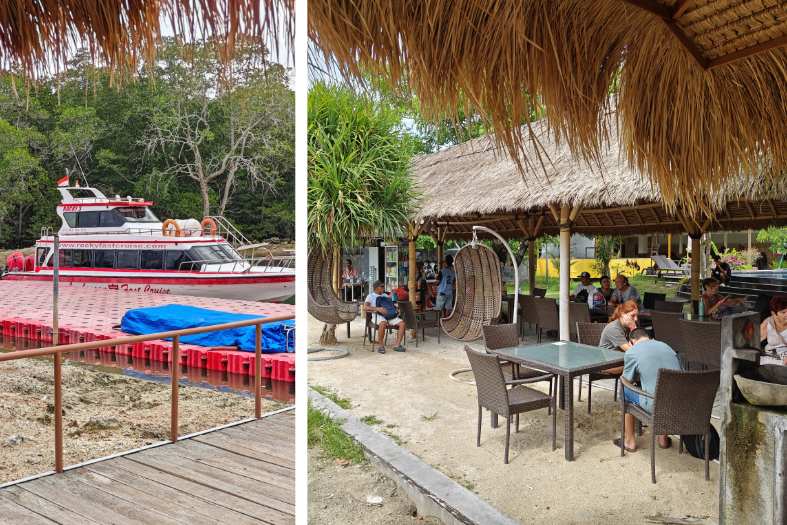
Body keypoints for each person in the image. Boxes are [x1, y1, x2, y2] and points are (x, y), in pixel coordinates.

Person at [613, 328, 681, 452]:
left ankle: (629, 441)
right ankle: (663, 439)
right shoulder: (667, 347)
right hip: (678, 403)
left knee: (625, 391)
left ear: (632, 341)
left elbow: (626, 380)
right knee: (664, 386)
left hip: (654, 405)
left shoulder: (632, 352)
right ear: (649, 337)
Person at [364, 280, 406, 354]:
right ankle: (381, 346)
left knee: (402, 324)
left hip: (389, 315)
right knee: (383, 323)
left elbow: (390, 305)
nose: (384, 288)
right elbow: (365, 307)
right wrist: (378, 309)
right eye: (382, 286)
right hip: (377, 315)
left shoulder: (385, 295)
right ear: (376, 288)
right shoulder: (370, 296)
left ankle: (397, 345)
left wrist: (395, 308)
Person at [761, 295, 787, 362]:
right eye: (783, 312)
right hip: (770, 357)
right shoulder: (768, 322)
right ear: (774, 313)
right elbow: (757, 339)